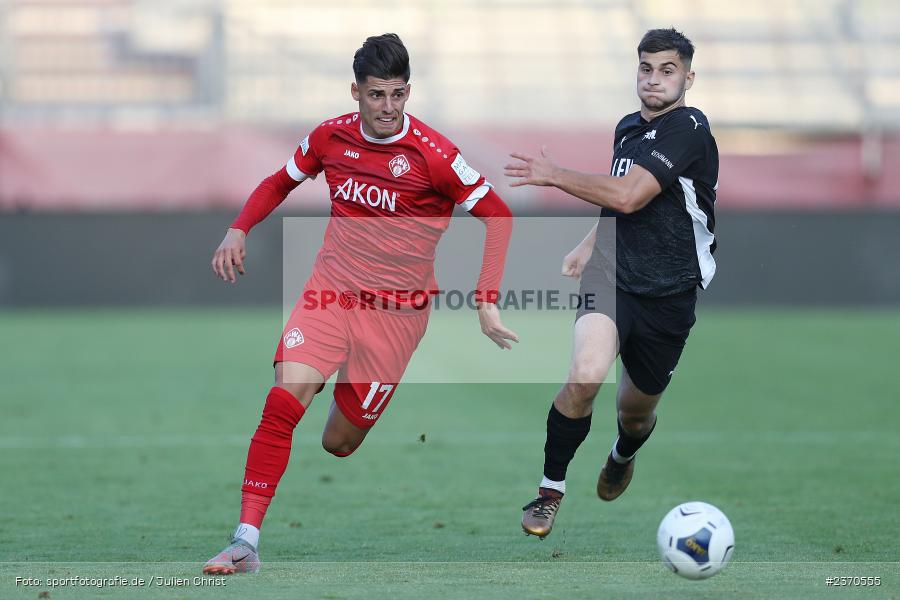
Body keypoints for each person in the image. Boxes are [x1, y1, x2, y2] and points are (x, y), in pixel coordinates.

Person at [203, 33, 517, 574]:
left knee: (339, 443)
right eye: (377, 96)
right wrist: (238, 228)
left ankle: (343, 384)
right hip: (332, 292)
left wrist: (486, 300)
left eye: (398, 95)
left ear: (408, 91)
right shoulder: (330, 138)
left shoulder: (434, 154)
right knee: (282, 403)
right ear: (356, 91)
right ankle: (245, 541)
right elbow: (279, 182)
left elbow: (498, 214)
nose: (389, 108)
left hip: (397, 318)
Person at [505, 28, 718, 538]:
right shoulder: (627, 127)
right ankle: (549, 491)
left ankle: (622, 454)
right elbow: (617, 201)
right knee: (585, 373)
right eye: (646, 68)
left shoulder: (689, 128)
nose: (654, 80)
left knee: (634, 413)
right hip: (612, 275)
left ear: (688, 77)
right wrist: (589, 242)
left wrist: (554, 175)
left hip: (670, 292)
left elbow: (628, 195)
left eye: (668, 71)